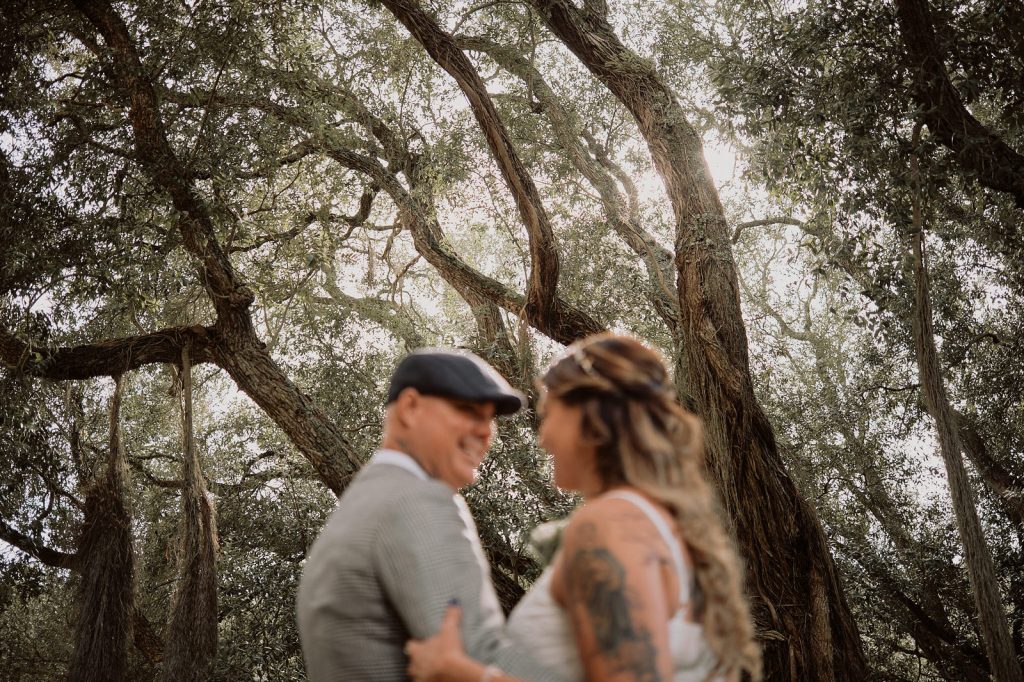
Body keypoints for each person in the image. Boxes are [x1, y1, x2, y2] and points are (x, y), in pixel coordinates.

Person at [406, 334, 761, 681]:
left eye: (550, 413)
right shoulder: (655, 524)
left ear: (590, 416)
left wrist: (461, 673)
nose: (543, 438)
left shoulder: (609, 524)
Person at [297, 348, 559, 681]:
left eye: (489, 418)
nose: (485, 432)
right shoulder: (417, 500)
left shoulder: (363, 502)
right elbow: (479, 655)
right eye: (468, 410)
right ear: (409, 408)